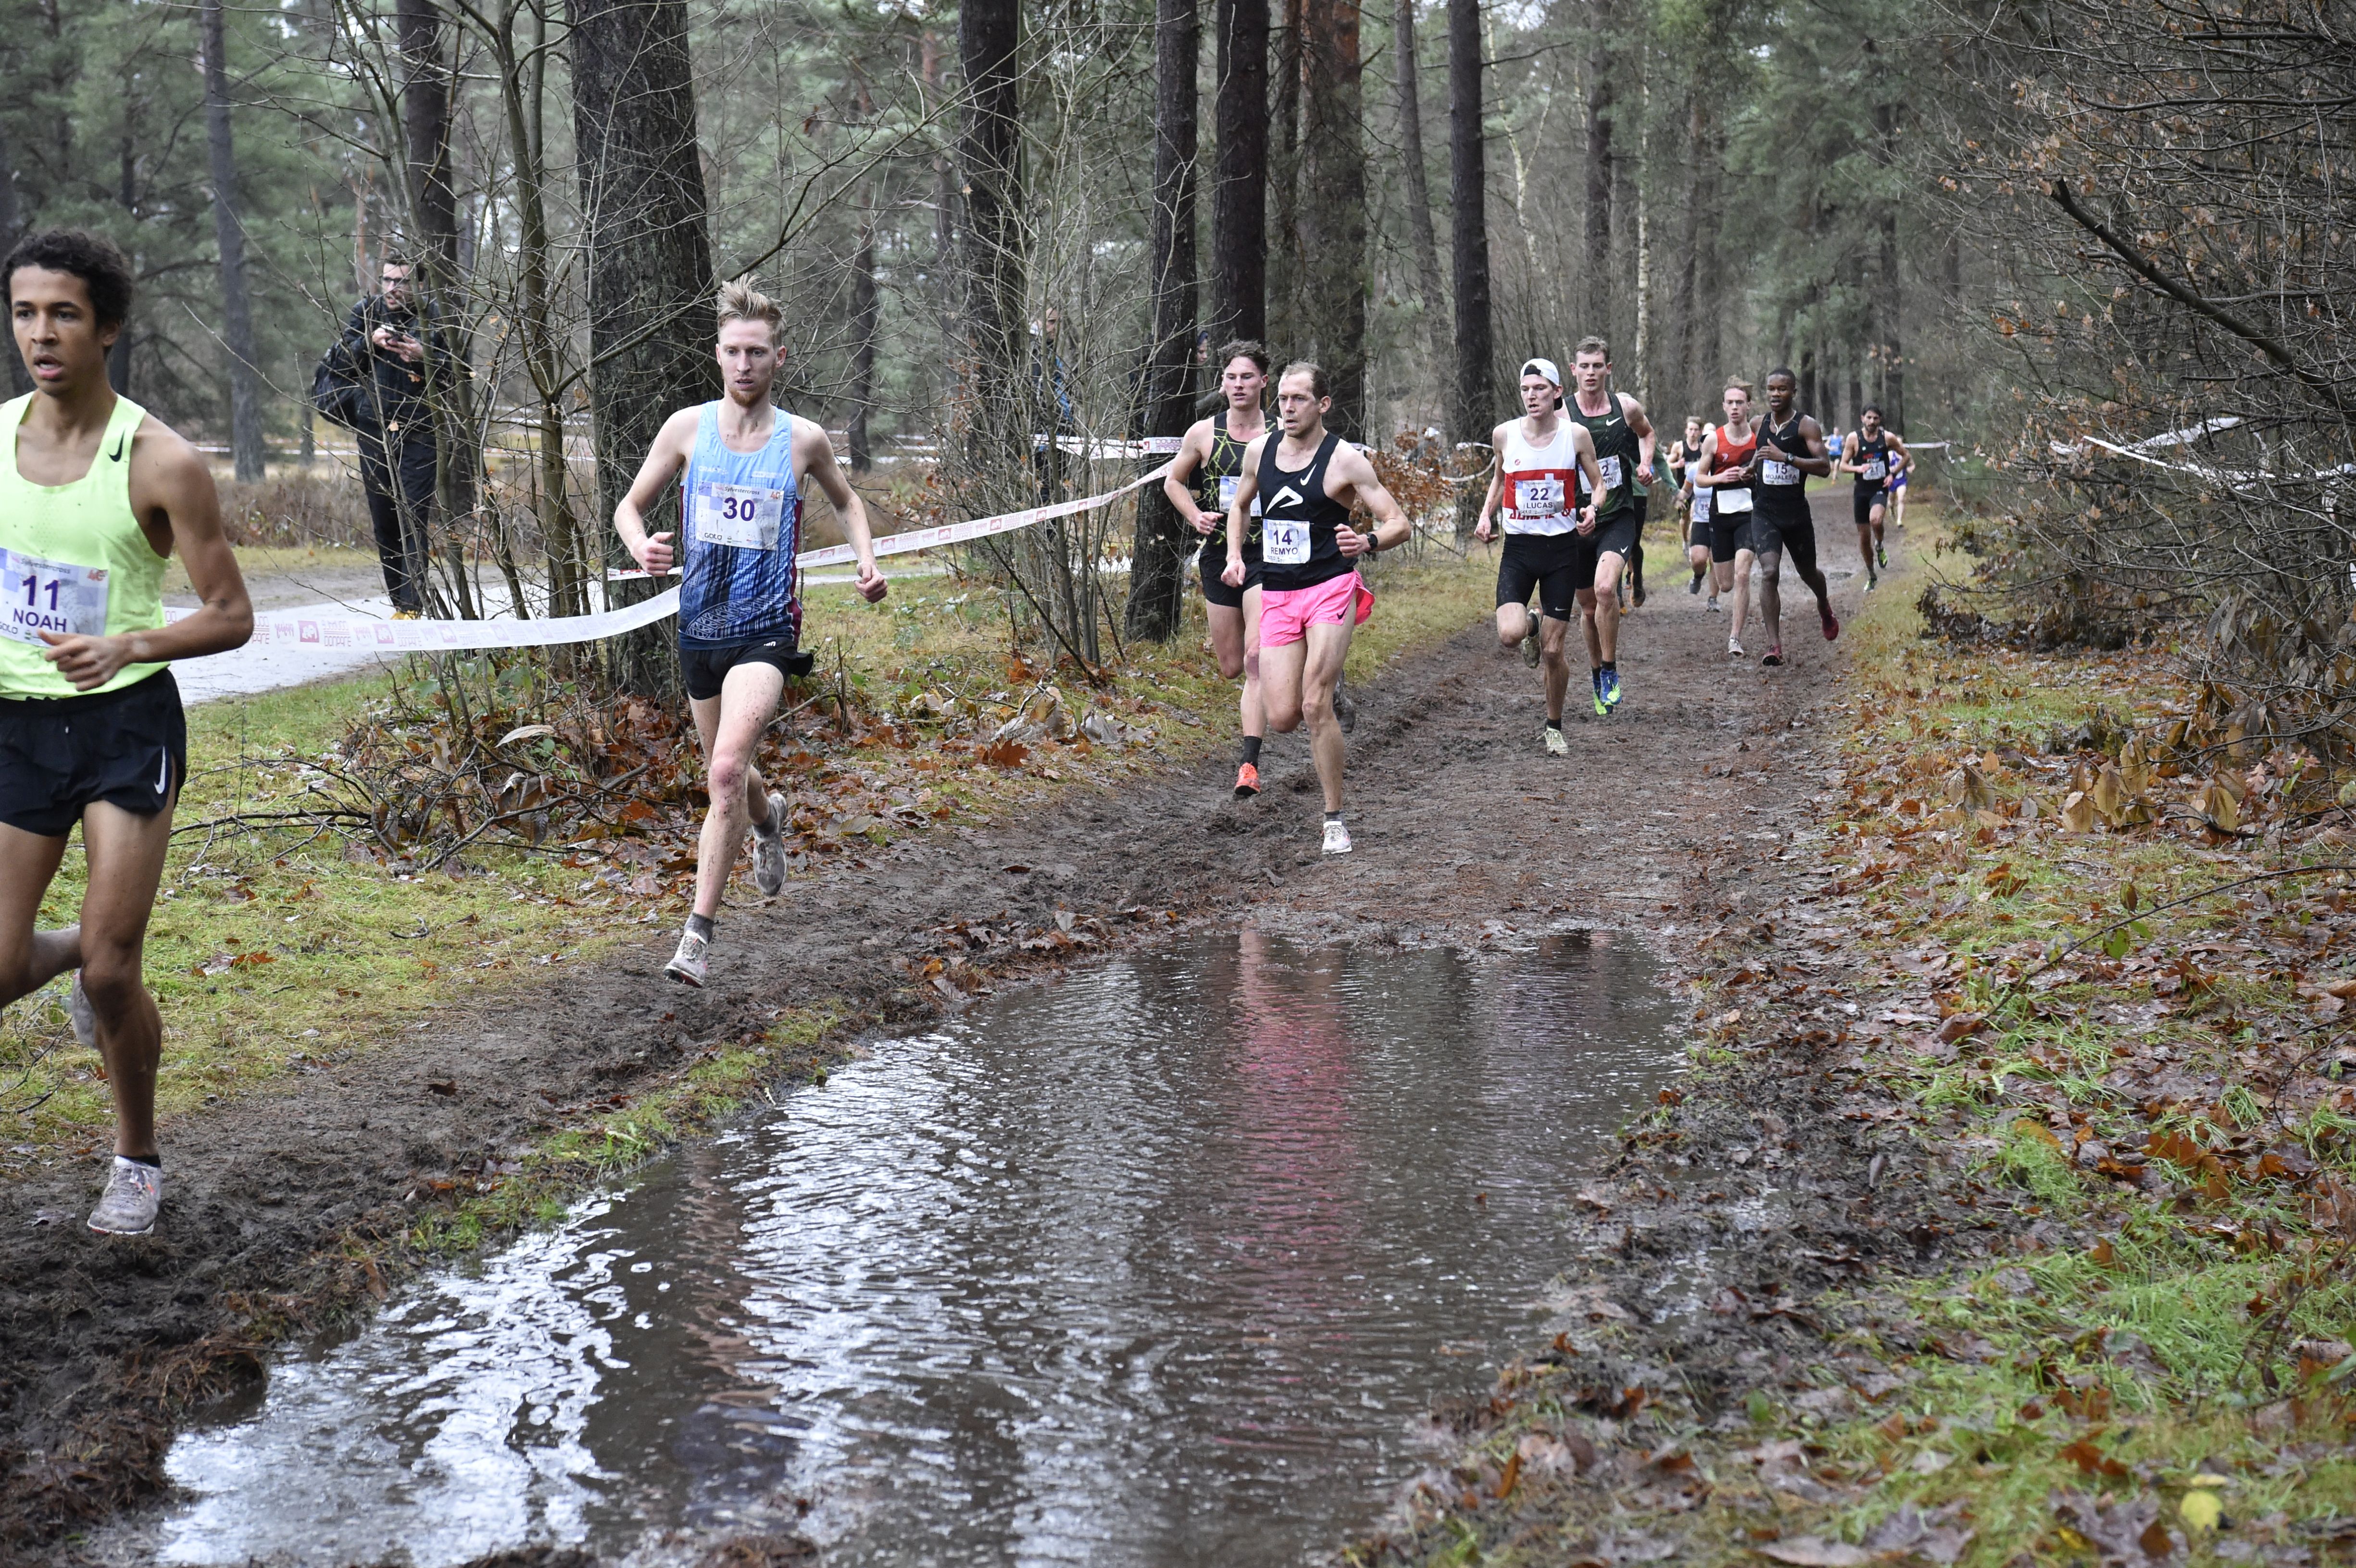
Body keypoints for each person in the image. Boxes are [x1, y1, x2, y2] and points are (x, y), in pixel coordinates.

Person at [0, 229, 254, 1235]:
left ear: (106, 328)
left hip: (124, 724)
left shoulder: (160, 461)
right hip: (17, 728)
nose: (41, 334)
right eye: (25, 313)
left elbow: (232, 615)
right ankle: (74, 953)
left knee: (116, 968)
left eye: (63, 314)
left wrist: (128, 643)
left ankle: (136, 1158)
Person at [614, 278, 888, 987]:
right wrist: (640, 545)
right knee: (728, 778)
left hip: (766, 631)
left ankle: (696, 939)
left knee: (727, 770)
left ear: (778, 358)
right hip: (700, 629)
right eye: (734, 351)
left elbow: (848, 502)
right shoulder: (686, 429)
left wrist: (865, 560)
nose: (744, 364)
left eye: (757, 353)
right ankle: (769, 819)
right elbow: (628, 507)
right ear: (718, 355)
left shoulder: (802, 439)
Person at [1223, 363, 1412, 854]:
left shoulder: (1344, 460)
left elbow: (1399, 522)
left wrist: (1367, 541)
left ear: (1323, 404)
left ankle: (1333, 819)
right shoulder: (1260, 451)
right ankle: (1331, 688)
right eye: (1283, 399)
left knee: (1313, 705)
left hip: (1330, 586)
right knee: (1283, 715)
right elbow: (1239, 505)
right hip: (1278, 592)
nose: (1287, 408)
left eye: (1299, 399)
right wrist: (1235, 556)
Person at [1475, 358, 1603, 755]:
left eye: (1540, 389)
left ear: (1557, 392)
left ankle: (1554, 726)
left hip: (1562, 550)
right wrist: (1485, 514)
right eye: (1526, 389)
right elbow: (1500, 478)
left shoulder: (1576, 435)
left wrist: (1593, 509)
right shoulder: (1505, 434)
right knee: (1509, 635)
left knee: (1553, 651)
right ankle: (1532, 622)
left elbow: (1599, 485)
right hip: (1519, 549)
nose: (1532, 396)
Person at [1164, 340, 1271, 797]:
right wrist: (1195, 516)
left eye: (1247, 377)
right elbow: (1173, 481)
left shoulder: (1280, 432)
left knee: (1255, 660)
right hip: (1218, 553)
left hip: (1268, 554)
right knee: (1231, 665)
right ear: (1222, 382)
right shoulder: (1204, 433)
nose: (1239, 385)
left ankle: (1249, 765)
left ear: (1264, 381)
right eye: (1231, 377)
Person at [334, 254, 463, 618]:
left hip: (420, 431)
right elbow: (340, 365)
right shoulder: (366, 313)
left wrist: (426, 355)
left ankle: (412, 607)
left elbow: (460, 376)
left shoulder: (437, 317)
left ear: (419, 284)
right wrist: (369, 343)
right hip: (373, 431)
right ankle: (400, 605)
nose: (392, 288)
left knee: (413, 519)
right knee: (385, 522)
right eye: (387, 280)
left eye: (401, 282)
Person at [1565, 338, 1655, 715]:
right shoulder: (1562, 413)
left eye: (1597, 366)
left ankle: (1611, 671)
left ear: (1608, 369)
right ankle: (1596, 673)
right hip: (1576, 522)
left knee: (1606, 590)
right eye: (1584, 366)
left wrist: (1645, 464)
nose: (1591, 373)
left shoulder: (1625, 406)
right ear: (1573, 370)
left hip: (1618, 514)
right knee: (1588, 609)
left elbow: (1647, 433)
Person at [1749, 367, 1841, 667]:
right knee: (1769, 572)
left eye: (1782, 389)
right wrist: (1750, 469)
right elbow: (1759, 455)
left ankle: (1824, 605)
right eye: (1771, 389)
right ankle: (1774, 646)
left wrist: (1787, 457)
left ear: (1793, 392)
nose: (1776, 394)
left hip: (1796, 514)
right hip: (1765, 512)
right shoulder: (1758, 423)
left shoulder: (1806, 426)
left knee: (1809, 573)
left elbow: (1824, 467)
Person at [1693, 381, 1762, 654]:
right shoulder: (1714, 439)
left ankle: (1735, 638)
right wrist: (1720, 478)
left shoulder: (1758, 439)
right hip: (1720, 515)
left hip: (1749, 514)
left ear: (1748, 406)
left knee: (1743, 572)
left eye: (1740, 403)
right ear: (1724, 406)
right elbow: (1700, 478)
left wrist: (1753, 474)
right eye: (1730, 403)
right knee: (1726, 584)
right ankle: (1709, 577)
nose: (1735, 408)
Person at [1837, 404, 1908, 590]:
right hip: (1861, 491)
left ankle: (1880, 545)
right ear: (1862, 419)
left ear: (1880, 420)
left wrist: (1893, 474)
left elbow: (1906, 456)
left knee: (1876, 520)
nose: (1872, 422)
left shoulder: (1888, 438)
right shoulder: (1854, 439)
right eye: (1869, 418)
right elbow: (1843, 466)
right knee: (1863, 538)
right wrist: (1858, 468)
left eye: (1875, 418)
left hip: (1879, 488)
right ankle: (1871, 574)